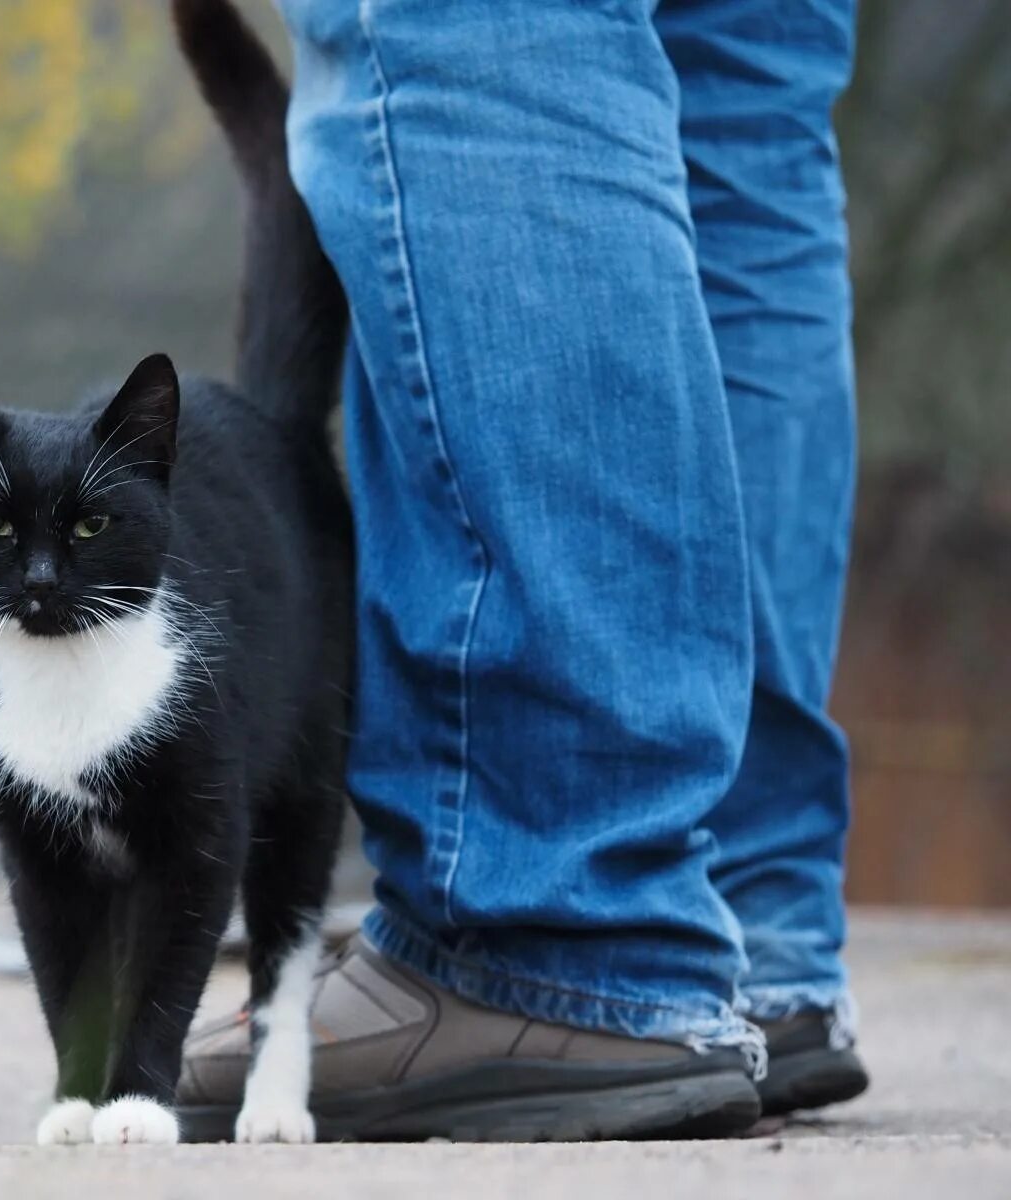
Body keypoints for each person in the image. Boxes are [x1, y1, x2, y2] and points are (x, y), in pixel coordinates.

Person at [178, 0, 867, 1139]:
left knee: (469, 23)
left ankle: (553, 933)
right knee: (736, 100)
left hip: (549, 921)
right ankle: (752, 924)